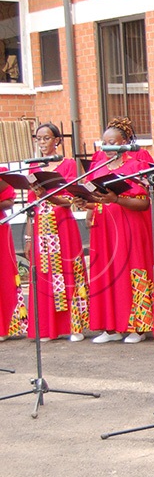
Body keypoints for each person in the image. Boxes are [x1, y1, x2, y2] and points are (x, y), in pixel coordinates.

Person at [77, 118, 154, 344]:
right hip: (104, 227)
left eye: (113, 143)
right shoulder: (98, 165)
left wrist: (116, 198)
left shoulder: (135, 165)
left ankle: (136, 327)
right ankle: (110, 326)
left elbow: (144, 204)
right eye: (104, 143)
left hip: (128, 224)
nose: (108, 148)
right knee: (106, 273)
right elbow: (95, 196)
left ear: (125, 142)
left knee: (129, 270)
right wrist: (86, 203)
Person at [24, 123, 88, 342]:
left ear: (57, 140)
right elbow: (31, 206)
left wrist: (47, 195)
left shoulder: (68, 164)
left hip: (62, 224)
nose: (42, 143)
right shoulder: (33, 168)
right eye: (38, 138)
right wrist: (28, 236)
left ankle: (74, 326)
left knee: (68, 271)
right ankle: (48, 327)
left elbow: (69, 201)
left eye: (47, 138)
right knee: (44, 275)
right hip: (40, 226)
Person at [0, 162, 25, 341]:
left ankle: (5, 326)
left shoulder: (3, 173)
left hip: (0, 229)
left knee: (4, 275)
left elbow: (9, 203)